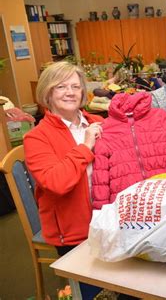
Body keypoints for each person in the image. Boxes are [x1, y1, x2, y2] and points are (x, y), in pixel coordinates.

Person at [23, 61, 103, 298]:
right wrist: (86, 146)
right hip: (75, 232)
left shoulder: (99, 122)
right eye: (61, 87)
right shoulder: (36, 138)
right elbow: (57, 182)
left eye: (75, 86)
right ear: (48, 93)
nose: (70, 92)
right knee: (94, 293)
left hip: (110, 222)